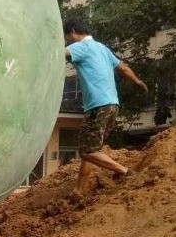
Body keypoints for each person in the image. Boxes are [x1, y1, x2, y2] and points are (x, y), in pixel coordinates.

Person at [63, 18, 148, 195]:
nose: (68, 41)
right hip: (112, 105)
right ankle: (79, 190)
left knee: (87, 151)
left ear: (72, 32)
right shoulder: (103, 49)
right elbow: (123, 68)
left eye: (67, 37)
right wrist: (138, 81)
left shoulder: (81, 47)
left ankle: (125, 172)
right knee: (93, 148)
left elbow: (59, 54)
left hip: (97, 105)